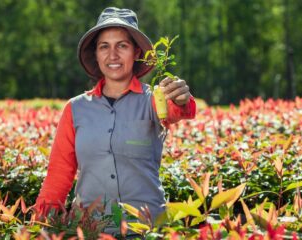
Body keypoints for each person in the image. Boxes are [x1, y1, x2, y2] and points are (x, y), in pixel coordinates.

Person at [35, 7, 196, 223]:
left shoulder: (154, 100)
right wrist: (40, 224)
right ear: (96, 54)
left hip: (146, 229)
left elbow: (178, 111)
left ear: (136, 52)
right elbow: (59, 173)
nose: (113, 55)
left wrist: (181, 98)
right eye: (104, 47)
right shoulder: (76, 109)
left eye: (122, 45)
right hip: (90, 229)